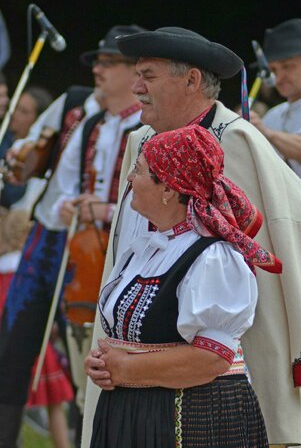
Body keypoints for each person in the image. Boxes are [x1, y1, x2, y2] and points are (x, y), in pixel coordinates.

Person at [82, 27, 301, 448]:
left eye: (148, 76)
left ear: (191, 80)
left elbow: (295, 233)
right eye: (136, 75)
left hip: (213, 389)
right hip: (130, 377)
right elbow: (129, 249)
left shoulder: (235, 141)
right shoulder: (141, 141)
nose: (136, 88)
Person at [86, 125, 282, 447]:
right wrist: (104, 363)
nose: (130, 180)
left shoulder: (212, 257)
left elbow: (211, 359)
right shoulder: (146, 247)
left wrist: (125, 367)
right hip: (131, 409)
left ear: (169, 189)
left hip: (190, 415)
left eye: (139, 171)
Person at [0, 24, 144, 448]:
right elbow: (29, 149)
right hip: (46, 240)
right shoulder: (75, 105)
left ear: (134, 71)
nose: (97, 68)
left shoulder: (149, 125)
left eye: (108, 62)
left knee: (89, 359)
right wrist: (20, 161)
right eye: (98, 61)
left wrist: (103, 209)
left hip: (99, 252)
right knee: (11, 353)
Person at [249, 18, 301, 190]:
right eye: (273, 70)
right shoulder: (273, 116)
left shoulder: (267, 125)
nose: (279, 77)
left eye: (287, 67)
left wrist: (265, 132)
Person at [0, 85, 53, 208]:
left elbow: (12, 194)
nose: (14, 114)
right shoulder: (3, 136)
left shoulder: (38, 158)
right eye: (16, 107)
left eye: (23, 111)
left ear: (37, 121)